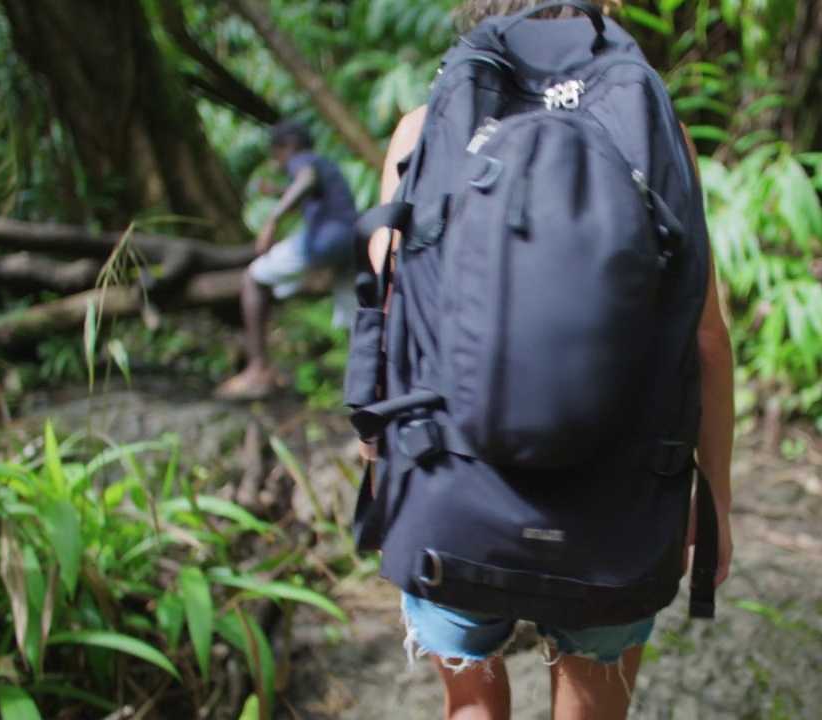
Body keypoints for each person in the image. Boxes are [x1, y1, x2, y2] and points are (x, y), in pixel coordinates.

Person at [366, 2, 736, 718]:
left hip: (452, 493)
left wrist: (382, 472)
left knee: (471, 704)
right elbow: (707, 341)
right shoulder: (659, 133)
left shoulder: (423, 129)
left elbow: (387, 324)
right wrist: (712, 497)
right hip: (617, 507)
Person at [215, 118, 360, 401]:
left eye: (276, 153)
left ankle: (258, 370)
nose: (277, 161)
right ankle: (364, 384)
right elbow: (317, 194)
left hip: (323, 241)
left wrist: (273, 218)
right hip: (352, 242)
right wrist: (279, 192)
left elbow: (307, 181)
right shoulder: (324, 163)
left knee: (253, 278)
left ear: (288, 147)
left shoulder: (301, 160)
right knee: (353, 314)